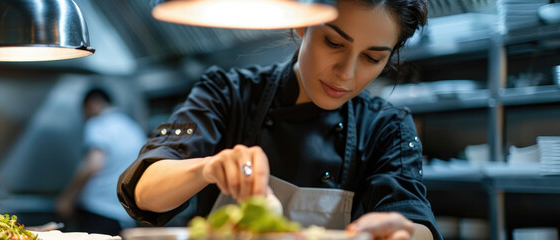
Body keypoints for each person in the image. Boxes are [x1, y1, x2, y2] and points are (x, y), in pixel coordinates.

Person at [119, 0, 441, 239]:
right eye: (333, 42)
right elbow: (144, 190)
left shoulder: (387, 128)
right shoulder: (228, 93)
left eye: (372, 58)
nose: (347, 73)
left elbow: (417, 222)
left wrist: (405, 232)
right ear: (302, 24)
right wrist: (208, 168)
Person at [57, 88, 146, 236]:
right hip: (125, 214)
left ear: (93, 103)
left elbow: (93, 164)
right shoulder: (133, 128)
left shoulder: (99, 124)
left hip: (97, 210)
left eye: (85, 111)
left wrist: (68, 197)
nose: (85, 117)